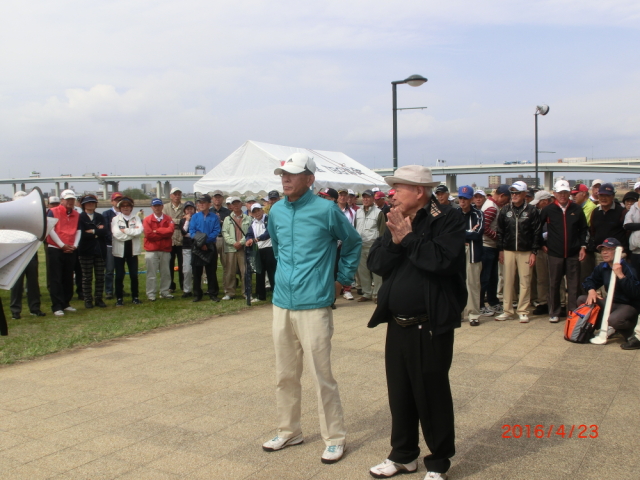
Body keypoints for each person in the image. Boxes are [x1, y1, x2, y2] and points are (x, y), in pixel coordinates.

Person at [262, 152, 361, 465]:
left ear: (309, 178)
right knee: (285, 374)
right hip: (282, 302)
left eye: (292, 174)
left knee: (321, 376)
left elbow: (353, 243)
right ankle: (289, 430)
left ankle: (335, 437)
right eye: (283, 174)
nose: (285, 179)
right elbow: (279, 249)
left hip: (314, 303)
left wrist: (342, 280)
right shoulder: (276, 211)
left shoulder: (327, 209)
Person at [367, 165, 465, 480]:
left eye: (399, 187)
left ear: (419, 191)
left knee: (431, 394)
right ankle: (403, 455)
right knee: (400, 393)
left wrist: (408, 238)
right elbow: (376, 263)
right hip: (397, 323)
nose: (392, 194)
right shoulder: (395, 218)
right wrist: (395, 241)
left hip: (430, 324)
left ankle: (438, 462)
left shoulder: (447, 218)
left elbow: (443, 261)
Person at [540, 180, 588, 323]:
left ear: (569, 194)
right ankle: (554, 312)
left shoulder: (576, 209)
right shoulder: (548, 209)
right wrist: (541, 243)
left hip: (573, 252)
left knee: (574, 284)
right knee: (554, 283)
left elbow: (583, 229)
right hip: (554, 252)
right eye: (560, 193)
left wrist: (583, 246)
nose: (563, 195)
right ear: (554, 194)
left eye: (565, 193)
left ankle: (573, 311)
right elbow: (537, 227)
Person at [495, 181, 541, 323]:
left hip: (525, 250)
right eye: (512, 193)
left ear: (524, 194)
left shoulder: (532, 211)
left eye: (517, 193)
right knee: (508, 280)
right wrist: (500, 250)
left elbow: (536, 232)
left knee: (525, 280)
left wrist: (534, 252)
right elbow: (500, 231)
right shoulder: (505, 210)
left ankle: (523, 310)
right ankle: (507, 310)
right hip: (508, 250)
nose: (514, 195)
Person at [579, 238, 639, 342]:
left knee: (614, 320)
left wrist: (621, 275)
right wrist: (591, 290)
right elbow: (589, 280)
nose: (605, 252)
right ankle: (595, 329)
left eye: (609, 249)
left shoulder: (627, 268)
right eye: (603, 250)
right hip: (611, 303)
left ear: (618, 251)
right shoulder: (603, 267)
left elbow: (635, 292)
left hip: (627, 305)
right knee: (582, 299)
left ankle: (632, 334)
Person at [9, 191, 45, 319]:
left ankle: (35, 308)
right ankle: (15, 310)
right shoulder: (10, 218)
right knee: (16, 283)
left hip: (30, 252)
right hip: (16, 253)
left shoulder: (31, 217)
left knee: (33, 282)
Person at [46, 189, 81, 317]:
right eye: (67, 199)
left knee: (68, 277)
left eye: (72, 199)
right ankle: (56, 306)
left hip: (71, 248)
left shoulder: (76, 214)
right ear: (62, 200)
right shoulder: (52, 211)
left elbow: (78, 230)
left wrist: (75, 245)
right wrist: (61, 245)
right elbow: (50, 229)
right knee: (56, 278)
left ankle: (66, 302)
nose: (70, 202)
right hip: (55, 248)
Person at [478, 185, 510, 317]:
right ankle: (480, 304)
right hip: (487, 246)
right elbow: (484, 227)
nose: (507, 202)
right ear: (501, 196)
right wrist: (498, 237)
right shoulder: (492, 207)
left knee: (492, 278)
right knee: (485, 278)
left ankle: (493, 301)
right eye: (506, 199)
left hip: (490, 247)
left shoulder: (492, 205)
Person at [111, 197, 143, 306]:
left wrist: (125, 230)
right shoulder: (115, 219)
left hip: (132, 252)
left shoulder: (136, 218)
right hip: (119, 252)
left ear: (131, 207)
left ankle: (135, 297)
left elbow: (139, 231)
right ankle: (119, 298)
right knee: (119, 275)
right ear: (120, 208)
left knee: (134, 275)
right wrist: (132, 233)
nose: (125, 208)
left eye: (128, 206)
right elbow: (117, 234)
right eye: (123, 206)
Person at [77, 195, 108, 309]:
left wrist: (93, 231)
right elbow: (82, 234)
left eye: (93, 202)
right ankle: (88, 299)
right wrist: (97, 232)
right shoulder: (80, 217)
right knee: (87, 277)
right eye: (88, 203)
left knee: (100, 276)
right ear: (83, 205)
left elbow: (105, 231)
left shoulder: (100, 216)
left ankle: (98, 298)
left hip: (99, 250)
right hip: (85, 250)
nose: (90, 204)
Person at [458, 185, 483, 326]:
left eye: (466, 199)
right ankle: (459, 312)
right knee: (458, 283)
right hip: (458, 252)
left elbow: (478, 234)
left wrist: (461, 233)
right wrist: (468, 232)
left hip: (473, 252)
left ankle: (473, 314)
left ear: (471, 199)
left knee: (473, 283)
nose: (463, 201)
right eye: (461, 198)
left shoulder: (478, 214)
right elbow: (450, 233)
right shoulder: (455, 213)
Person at [189, 194, 221, 302]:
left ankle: (213, 293)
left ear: (209, 204)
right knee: (196, 272)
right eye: (199, 203)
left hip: (210, 246)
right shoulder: (195, 217)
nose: (201, 204)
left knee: (211, 271)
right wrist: (200, 242)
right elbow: (192, 231)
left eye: (203, 202)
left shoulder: (214, 217)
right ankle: (197, 294)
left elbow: (216, 231)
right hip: (197, 246)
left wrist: (205, 242)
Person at [354, 189, 383, 303]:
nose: (365, 199)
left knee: (376, 272)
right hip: (360, 246)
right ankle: (367, 293)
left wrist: (380, 246)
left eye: (368, 197)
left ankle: (377, 294)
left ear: (373, 199)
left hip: (373, 246)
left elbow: (382, 231)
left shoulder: (378, 213)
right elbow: (355, 227)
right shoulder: (358, 212)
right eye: (364, 197)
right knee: (363, 271)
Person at [144, 198, 175, 301]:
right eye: (155, 206)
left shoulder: (168, 219)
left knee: (166, 272)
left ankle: (164, 291)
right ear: (151, 207)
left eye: (158, 205)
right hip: (151, 250)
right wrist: (163, 233)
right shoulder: (147, 219)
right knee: (151, 273)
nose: (157, 208)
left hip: (165, 249)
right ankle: (151, 293)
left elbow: (170, 231)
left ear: (162, 206)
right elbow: (149, 235)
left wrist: (156, 230)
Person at [246, 203, 277, 302]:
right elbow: (249, 234)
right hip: (259, 250)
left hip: (270, 249)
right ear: (252, 213)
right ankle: (260, 296)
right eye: (254, 212)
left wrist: (256, 239)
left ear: (262, 210)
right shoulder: (253, 223)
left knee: (272, 273)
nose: (257, 213)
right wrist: (248, 240)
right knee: (259, 273)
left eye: (258, 210)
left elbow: (269, 233)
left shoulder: (268, 220)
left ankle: (276, 295)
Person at [222, 197, 251, 300]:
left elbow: (249, 233)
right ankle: (229, 293)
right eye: (233, 204)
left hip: (243, 248)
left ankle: (246, 292)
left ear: (241, 204)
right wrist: (234, 243)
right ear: (231, 206)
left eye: (237, 203)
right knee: (230, 272)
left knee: (245, 271)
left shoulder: (248, 218)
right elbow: (225, 233)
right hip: (231, 248)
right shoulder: (227, 219)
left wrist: (241, 242)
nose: (236, 205)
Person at [529, 190, 553, 315]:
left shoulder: (556, 211)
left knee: (556, 278)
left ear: (545, 201)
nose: (537, 205)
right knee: (541, 278)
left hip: (555, 248)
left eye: (539, 202)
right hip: (541, 248)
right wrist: (541, 243)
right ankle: (543, 302)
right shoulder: (538, 212)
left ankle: (559, 302)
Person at [587, 183, 627, 258]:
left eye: (607, 195)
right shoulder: (595, 212)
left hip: (617, 253)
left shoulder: (622, 212)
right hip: (600, 253)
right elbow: (593, 230)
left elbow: (627, 232)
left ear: (613, 196)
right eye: (601, 195)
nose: (603, 198)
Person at [163, 187, 185, 293]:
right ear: (171, 196)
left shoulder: (184, 207)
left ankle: (183, 285)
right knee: (169, 264)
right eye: (175, 194)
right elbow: (165, 221)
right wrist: (179, 221)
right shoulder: (165, 207)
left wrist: (172, 221)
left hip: (181, 239)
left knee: (182, 264)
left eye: (179, 194)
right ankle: (170, 286)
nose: (177, 196)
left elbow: (187, 220)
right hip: (170, 239)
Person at [102, 192, 123, 299]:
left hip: (122, 244)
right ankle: (109, 291)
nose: (118, 202)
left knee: (121, 269)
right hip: (110, 245)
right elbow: (106, 230)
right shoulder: (106, 214)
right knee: (109, 269)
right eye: (116, 200)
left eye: (120, 200)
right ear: (112, 202)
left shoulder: (125, 213)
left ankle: (120, 289)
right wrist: (115, 238)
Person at [210, 190, 231, 290]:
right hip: (212, 240)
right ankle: (212, 288)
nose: (217, 199)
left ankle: (227, 287)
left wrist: (221, 221)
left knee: (226, 265)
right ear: (212, 199)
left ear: (222, 199)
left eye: (219, 197)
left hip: (224, 239)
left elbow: (230, 227)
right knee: (211, 265)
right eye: (215, 197)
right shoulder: (209, 212)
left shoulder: (228, 212)